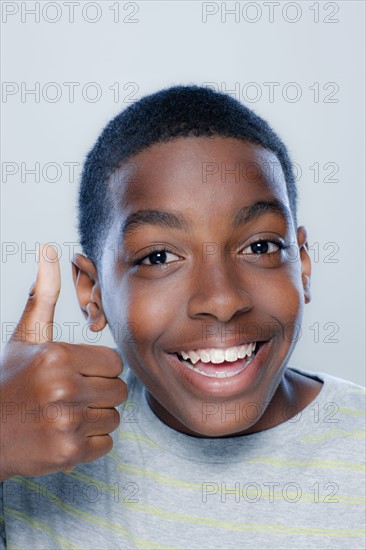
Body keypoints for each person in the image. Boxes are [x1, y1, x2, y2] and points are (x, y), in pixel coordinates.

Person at [0, 86, 364, 549]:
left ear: (303, 265)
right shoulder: (24, 449)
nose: (222, 299)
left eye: (261, 246)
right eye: (157, 257)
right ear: (91, 293)